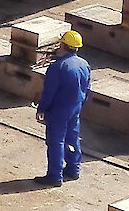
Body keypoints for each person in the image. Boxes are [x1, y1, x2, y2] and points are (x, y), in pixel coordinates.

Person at [36, 30, 92, 186]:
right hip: (75, 108)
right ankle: (73, 169)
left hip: (59, 110)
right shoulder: (84, 64)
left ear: (63, 46)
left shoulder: (57, 67)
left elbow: (49, 92)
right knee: (72, 138)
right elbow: (87, 88)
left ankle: (55, 176)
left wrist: (42, 109)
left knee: (56, 142)